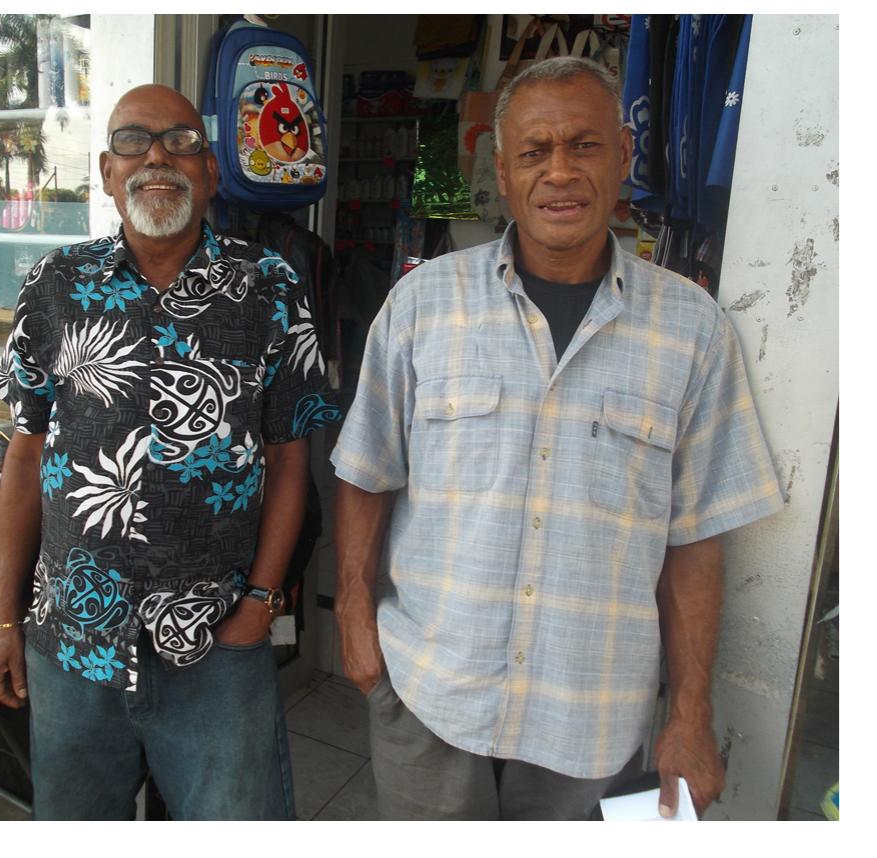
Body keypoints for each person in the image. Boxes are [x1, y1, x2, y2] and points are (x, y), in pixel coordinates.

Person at [330, 57, 783, 821]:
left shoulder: (692, 330)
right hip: (431, 691)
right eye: (534, 152)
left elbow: (697, 538)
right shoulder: (421, 303)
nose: (560, 172)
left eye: (584, 145)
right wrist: (352, 620)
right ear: (502, 173)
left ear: (624, 160)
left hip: (592, 717)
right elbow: (364, 471)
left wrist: (689, 714)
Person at [0, 84, 340, 820]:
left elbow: (288, 460)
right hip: (73, 639)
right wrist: (2, 618)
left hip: (217, 640)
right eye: (132, 142)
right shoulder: (55, 286)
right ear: (108, 173)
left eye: (179, 141)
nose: (155, 157)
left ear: (209, 171)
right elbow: (25, 454)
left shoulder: (270, 288)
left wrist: (261, 603)